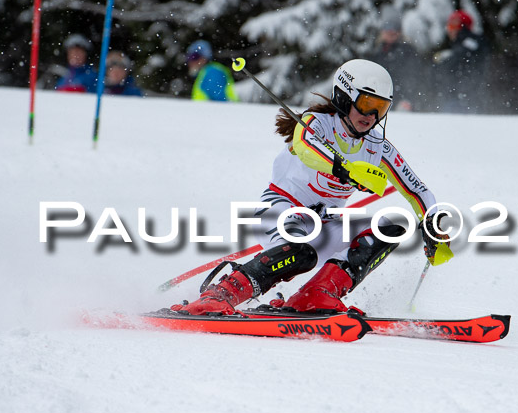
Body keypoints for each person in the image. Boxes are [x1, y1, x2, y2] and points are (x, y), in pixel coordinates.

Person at [170, 59, 452, 316]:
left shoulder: (377, 146)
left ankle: (316, 294)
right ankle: (220, 294)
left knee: (390, 226)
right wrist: (343, 168)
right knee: (299, 253)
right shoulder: (317, 124)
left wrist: (432, 222)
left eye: (381, 108)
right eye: (366, 103)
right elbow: (306, 147)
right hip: (280, 211)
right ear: (344, 96)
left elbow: (416, 189)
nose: (371, 115)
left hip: (323, 223)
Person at [431, 10, 490, 113]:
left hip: (466, 98)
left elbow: (458, 60)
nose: (450, 30)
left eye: (453, 26)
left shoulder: (472, 43)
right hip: (457, 96)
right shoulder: (460, 45)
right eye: (449, 26)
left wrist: (445, 58)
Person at [371, 19, 423, 111]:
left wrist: (408, 98)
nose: (390, 33)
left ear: (399, 32)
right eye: (387, 30)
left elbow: (413, 76)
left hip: (401, 100)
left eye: (394, 31)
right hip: (381, 98)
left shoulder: (407, 50)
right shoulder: (377, 51)